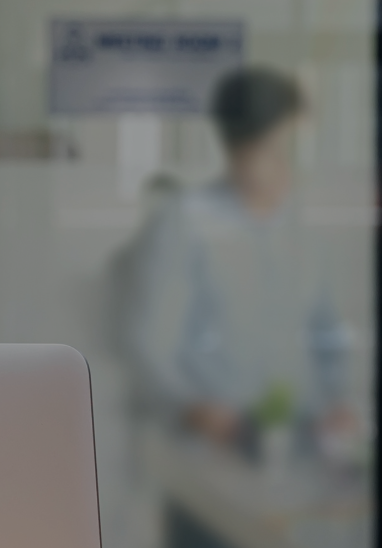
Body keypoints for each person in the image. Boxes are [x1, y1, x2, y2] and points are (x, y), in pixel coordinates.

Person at [118, 66, 353, 458]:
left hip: (300, 442)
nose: (287, 164)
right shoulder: (185, 222)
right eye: (277, 148)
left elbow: (327, 331)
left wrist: (338, 400)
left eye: (293, 149)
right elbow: (149, 341)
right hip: (215, 450)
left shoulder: (302, 230)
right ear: (238, 147)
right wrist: (194, 408)